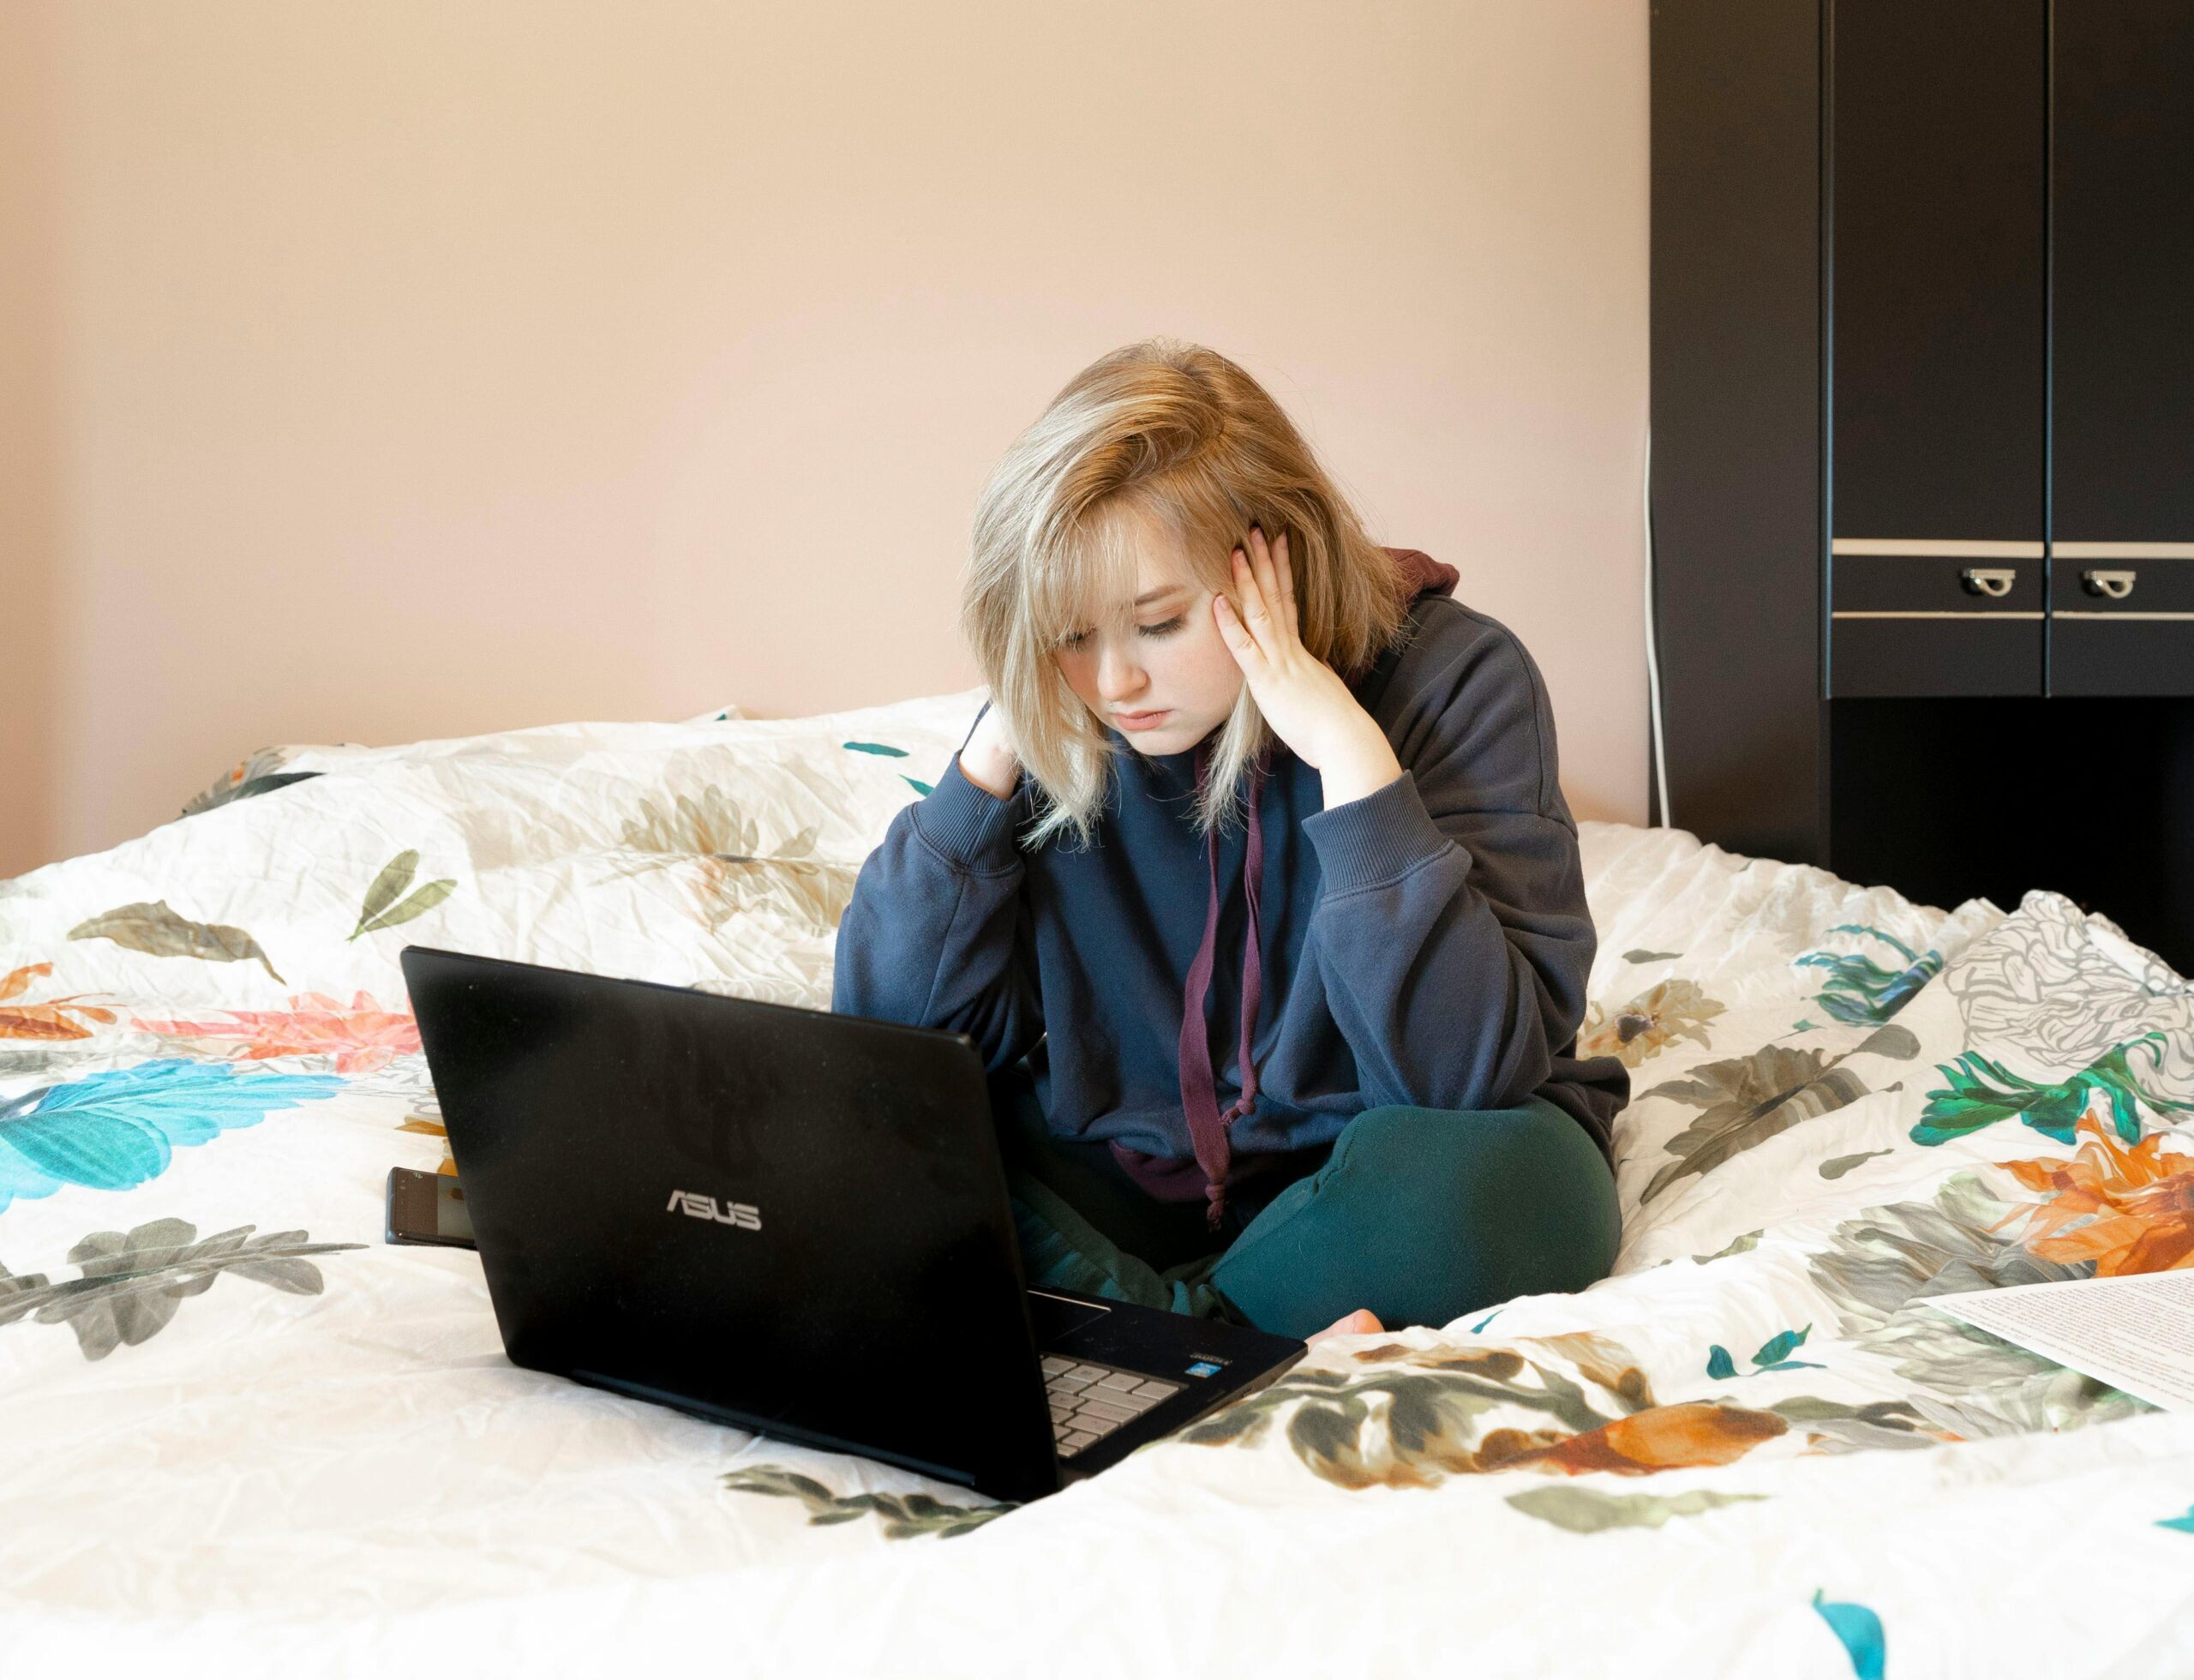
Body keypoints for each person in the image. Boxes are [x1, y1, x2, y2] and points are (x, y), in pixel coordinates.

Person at [832, 339, 1627, 1345]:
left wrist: (1348, 753)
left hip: (1386, 1172)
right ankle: (1218, 1340)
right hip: (1131, 1176)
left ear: (1275, 555)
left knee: (1525, 1188)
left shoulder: (1460, 679)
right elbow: (885, 1042)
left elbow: (1464, 1077)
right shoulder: (1067, 709)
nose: (1114, 681)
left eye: (1157, 625)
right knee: (877, 1133)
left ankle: (1151, 1338)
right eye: (1070, 634)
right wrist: (1000, 741)